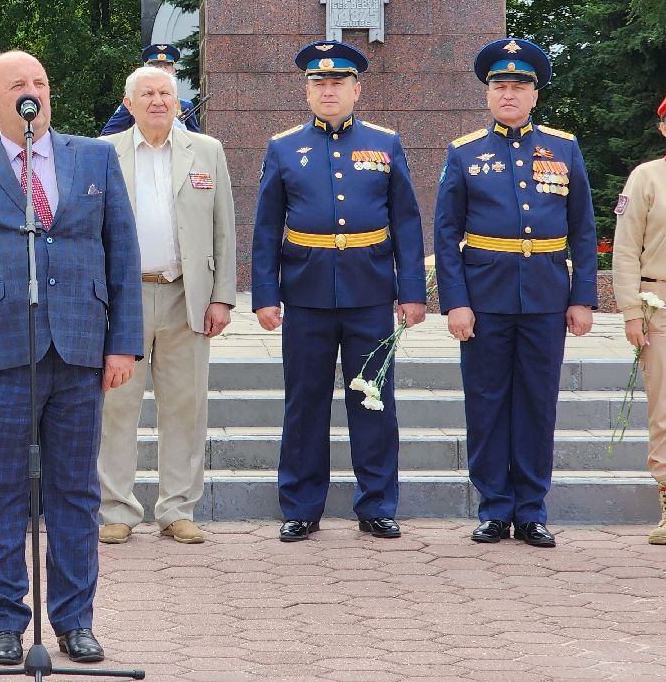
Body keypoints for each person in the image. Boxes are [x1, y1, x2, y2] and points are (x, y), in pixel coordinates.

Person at [0, 50, 143, 667]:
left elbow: (121, 256)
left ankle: (74, 620)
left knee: (75, 491)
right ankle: (4, 620)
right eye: (17, 84)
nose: (33, 92)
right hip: (0, 352)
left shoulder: (95, 158)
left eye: (41, 82)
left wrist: (122, 342)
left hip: (78, 347)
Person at [251, 41, 426, 544]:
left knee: (373, 400)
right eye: (318, 83)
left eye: (337, 83)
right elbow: (266, 228)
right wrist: (266, 294)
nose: (328, 91)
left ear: (357, 89)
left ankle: (376, 504)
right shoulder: (283, 147)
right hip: (305, 292)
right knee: (304, 402)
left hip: (370, 290)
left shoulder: (385, 143)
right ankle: (302, 506)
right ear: (307, 91)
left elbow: (407, 224)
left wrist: (411, 291)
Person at [435, 38, 596, 548]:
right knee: (486, 402)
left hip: (547, 296)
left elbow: (584, 230)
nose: (509, 94)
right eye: (500, 86)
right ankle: (493, 507)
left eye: (518, 86)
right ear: (487, 95)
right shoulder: (465, 152)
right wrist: (455, 301)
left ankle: (530, 509)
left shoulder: (564, 148)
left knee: (537, 403)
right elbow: (446, 232)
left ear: (534, 95)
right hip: (484, 298)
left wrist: (581, 297)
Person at [98, 64, 236, 547]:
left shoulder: (207, 151)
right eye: (148, 94)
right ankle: (115, 508)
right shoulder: (104, 154)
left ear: (178, 103)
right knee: (117, 406)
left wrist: (222, 297)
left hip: (187, 297)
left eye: (166, 93)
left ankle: (177, 509)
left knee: (185, 406)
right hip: (125, 298)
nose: (158, 101)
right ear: (128, 103)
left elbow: (224, 227)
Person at [612, 95, 666, 544]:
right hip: (660, 303)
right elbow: (627, 248)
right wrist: (633, 311)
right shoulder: (646, 177)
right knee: (664, 411)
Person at [99, 44, 201, 135]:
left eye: (166, 66)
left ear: (173, 71)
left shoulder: (185, 106)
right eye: (156, 66)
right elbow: (108, 134)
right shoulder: (133, 103)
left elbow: (196, 140)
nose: (161, 70)